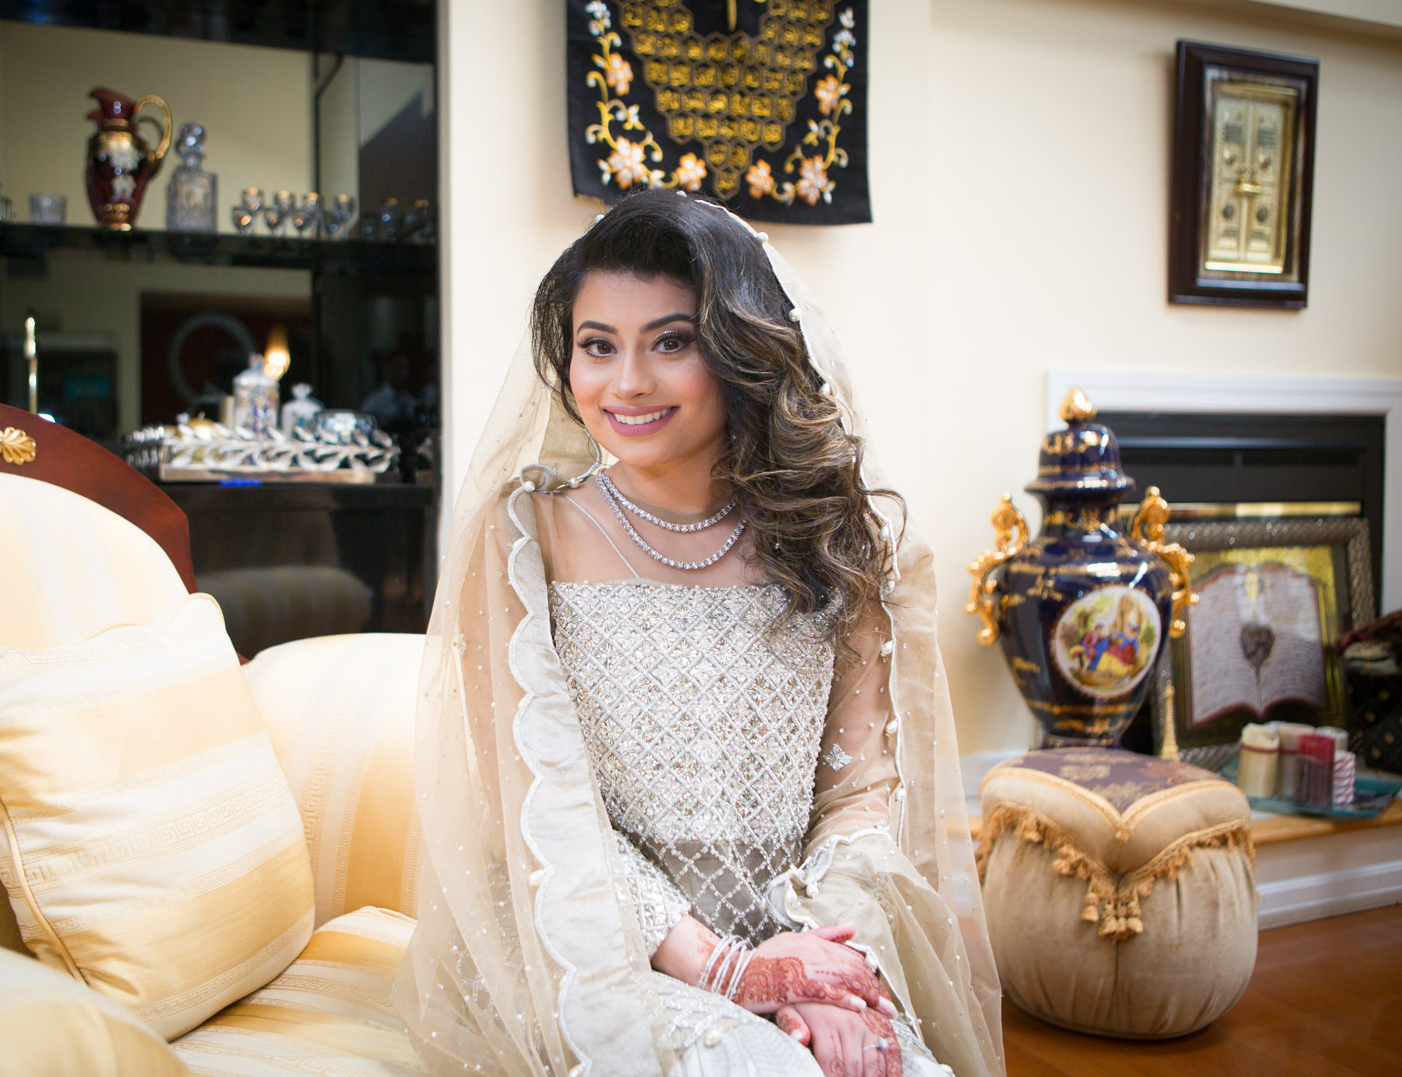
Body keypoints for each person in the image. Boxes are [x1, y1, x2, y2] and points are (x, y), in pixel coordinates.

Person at [392, 189, 1004, 1077]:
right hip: (586, 938)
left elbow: (858, 796)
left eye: (670, 342)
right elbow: (539, 813)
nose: (627, 383)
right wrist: (727, 971)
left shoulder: (843, 539)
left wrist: (813, 963)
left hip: (796, 933)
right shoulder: (524, 536)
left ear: (743, 349)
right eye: (598, 345)